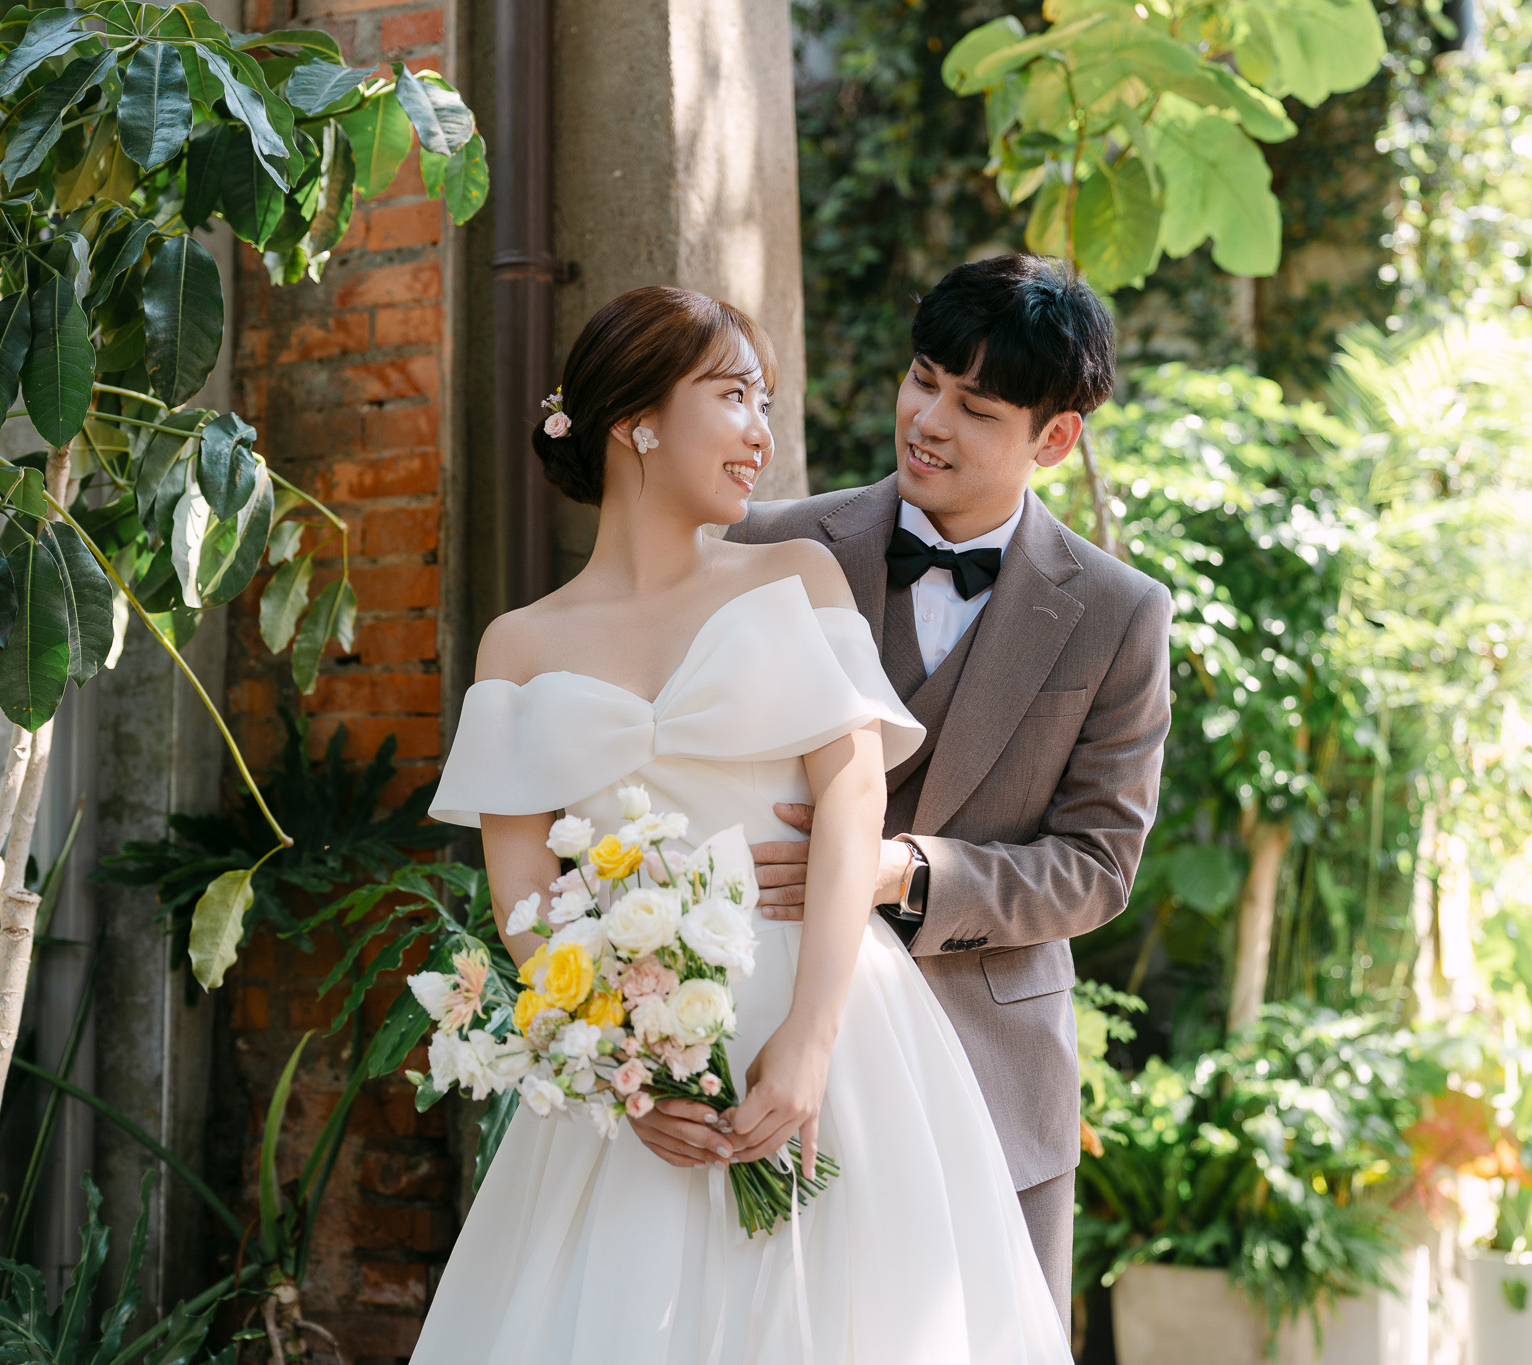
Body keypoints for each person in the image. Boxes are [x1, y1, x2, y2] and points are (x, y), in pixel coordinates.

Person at [416, 285, 1071, 1362]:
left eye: (764, 401)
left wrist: (810, 1041)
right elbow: (523, 896)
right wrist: (626, 1074)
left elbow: (854, 794)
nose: (761, 431)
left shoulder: (793, 574)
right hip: (643, 1055)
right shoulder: (518, 645)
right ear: (636, 420)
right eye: (733, 396)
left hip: (832, 1019)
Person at [634, 255, 1174, 1317]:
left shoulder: (1120, 613)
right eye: (923, 379)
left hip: (990, 1072)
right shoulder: (767, 543)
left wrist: (897, 871)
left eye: (975, 408)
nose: (927, 420)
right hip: (764, 1048)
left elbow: (1097, 866)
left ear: (1054, 438)